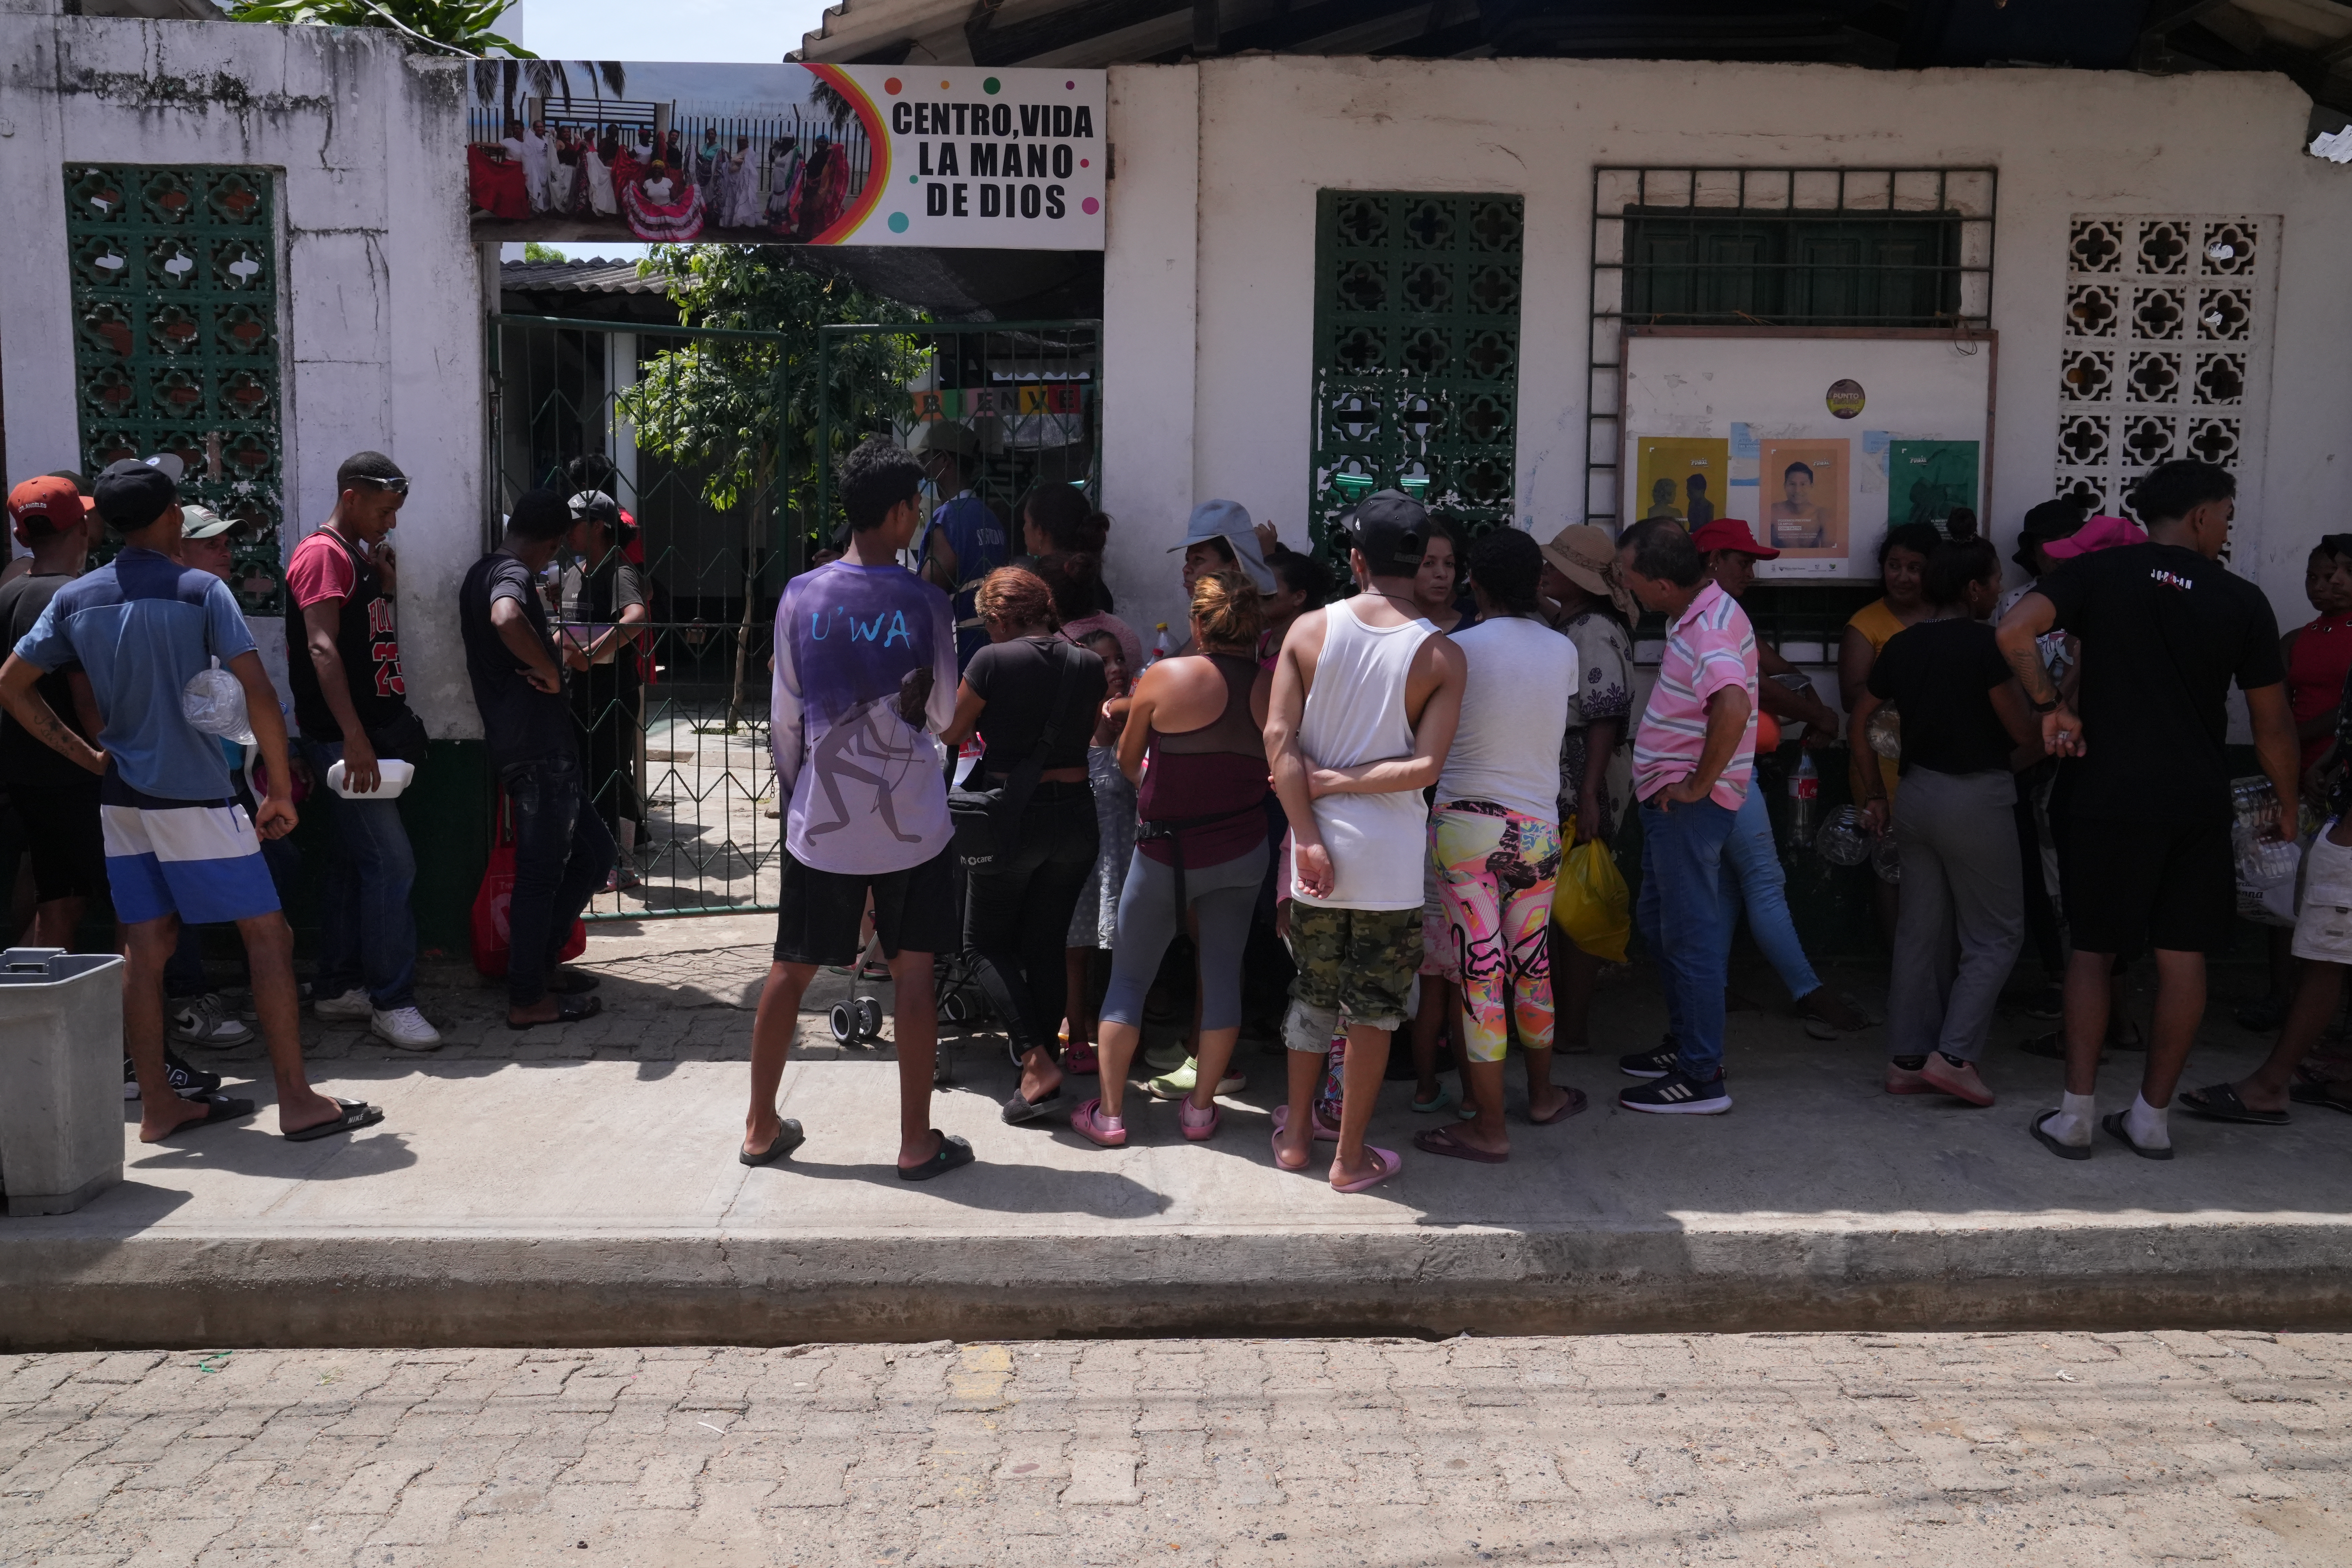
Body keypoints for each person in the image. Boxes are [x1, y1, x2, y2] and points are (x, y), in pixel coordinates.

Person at [1, 460, 377, 1142]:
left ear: (101, 522)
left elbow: (12, 683)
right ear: (172, 514)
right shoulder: (199, 589)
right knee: (269, 934)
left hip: (123, 801)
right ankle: (296, 1099)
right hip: (197, 795)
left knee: (145, 949)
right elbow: (258, 690)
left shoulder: (76, 598)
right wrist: (282, 792)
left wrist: (88, 756)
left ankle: (157, 1105)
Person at [1995, 459, 2297, 1161]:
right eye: (2225, 514)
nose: (2225, 527)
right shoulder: (2242, 600)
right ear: (2200, 516)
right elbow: (2273, 722)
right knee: (2182, 953)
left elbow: (2014, 631)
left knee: (2094, 950)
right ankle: (2152, 1119)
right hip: (2194, 795)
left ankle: (2074, 1115)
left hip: (2104, 792)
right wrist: (2286, 802)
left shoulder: (2103, 576)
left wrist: (2051, 709)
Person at [747, 438, 967, 1177]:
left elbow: (784, 716)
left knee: (791, 967)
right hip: (916, 825)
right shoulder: (928, 601)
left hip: (822, 825)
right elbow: (941, 714)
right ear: (902, 511)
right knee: (913, 973)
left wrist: (795, 797)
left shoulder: (800, 595)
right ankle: (915, 1142)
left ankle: (758, 1125)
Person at [1266, 490, 1467, 1192]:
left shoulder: (1307, 630)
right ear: (1421, 564)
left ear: (1356, 560)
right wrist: (1344, 782)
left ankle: (1294, 1136)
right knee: (1376, 1009)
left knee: (1313, 993)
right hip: (1389, 861)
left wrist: (1307, 831)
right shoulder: (1442, 654)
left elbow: (1277, 741)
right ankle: (1350, 1157)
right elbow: (1426, 767)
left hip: (1315, 853)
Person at [1072, 570, 1271, 1146]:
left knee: (1129, 981)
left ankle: (1110, 1115)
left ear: (1196, 623)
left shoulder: (1164, 676)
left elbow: (1128, 763)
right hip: (1240, 851)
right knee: (1222, 975)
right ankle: (1201, 1109)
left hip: (1164, 849)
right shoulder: (1269, 687)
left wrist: (1157, 801)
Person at [1408, 528, 1581, 1163]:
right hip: (1536, 831)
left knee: (1480, 977)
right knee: (1532, 966)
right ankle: (1541, 1096)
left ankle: (1487, 1125)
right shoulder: (1561, 651)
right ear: (1537, 582)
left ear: (1473, 584)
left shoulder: (1452, 649)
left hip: (1464, 829)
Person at [1852, 534, 2041, 1107]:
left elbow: (1860, 716)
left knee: (1919, 932)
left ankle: (1906, 1059)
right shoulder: (1989, 647)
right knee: (1995, 933)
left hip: (1913, 793)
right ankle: (1955, 1057)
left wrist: (1873, 794)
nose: (1999, 591)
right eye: (1992, 582)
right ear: (1973, 588)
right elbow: (2024, 734)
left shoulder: (1903, 647)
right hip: (1974, 795)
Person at [940, 567, 1107, 1124]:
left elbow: (951, 731)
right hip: (1077, 816)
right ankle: (1042, 1065)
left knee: (981, 943)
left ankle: (1036, 1061)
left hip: (1014, 816)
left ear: (997, 617)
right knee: (1045, 944)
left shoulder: (991, 661)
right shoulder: (1086, 661)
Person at [285, 452, 437, 1050]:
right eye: (383, 509)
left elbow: (358, 639)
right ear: (351, 496)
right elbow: (321, 648)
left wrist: (385, 586)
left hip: (371, 734)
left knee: (355, 863)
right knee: (392, 864)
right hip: (344, 739)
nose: (389, 522)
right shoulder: (321, 554)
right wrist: (351, 736)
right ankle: (391, 1001)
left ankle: (337, 986)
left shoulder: (359, 559)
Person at [1693, 519, 1870, 1033]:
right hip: (1723, 767)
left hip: (1723, 765)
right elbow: (1759, 689)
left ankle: (1715, 987)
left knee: (1729, 883)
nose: (1750, 571)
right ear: (1712, 561)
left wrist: (1813, 701)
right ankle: (1808, 992)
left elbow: (1776, 669)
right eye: (1742, 561)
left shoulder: (1723, 610)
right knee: (1766, 880)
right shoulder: (1711, 615)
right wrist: (1818, 716)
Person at [1616, 517, 1757, 1115]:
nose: (1625, 588)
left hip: (1687, 811)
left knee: (1690, 936)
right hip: (1670, 807)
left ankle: (1701, 1077)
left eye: (1629, 578)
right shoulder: (1698, 614)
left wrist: (1699, 784)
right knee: (1662, 924)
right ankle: (1685, 1045)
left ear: (1662, 584)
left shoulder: (1710, 629)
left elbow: (1731, 701)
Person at [460, 489, 616, 1031]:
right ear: (549, 542)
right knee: (540, 875)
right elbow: (506, 618)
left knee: (595, 855)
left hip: (539, 746)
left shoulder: (485, 569)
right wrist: (549, 672)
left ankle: (541, 965)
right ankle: (527, 996)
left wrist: (551, 648)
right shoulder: (510, 576)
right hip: (536, 749)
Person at [2236, 535, 2352, 1030]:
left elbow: (2345, 715)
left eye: (2338, 575)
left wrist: (2316, 756)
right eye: (2315, 577)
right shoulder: (2295, 641)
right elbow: (2272, 709)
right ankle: (2280, 995)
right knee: (2282, 890)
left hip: (2337, 779)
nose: (2325, 585)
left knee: (2335, 899)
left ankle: (2331, 1008)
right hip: (2292, 780)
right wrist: (2288, 763)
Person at [1539, 524, 1637, 1056]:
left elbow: (1604, 719)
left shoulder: (1594, 630)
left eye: (1557, 565)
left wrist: (1591, 794)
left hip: (1583, 782)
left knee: (1575, 910)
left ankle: (1571, 1030)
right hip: (1577, 779)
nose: (1546, 571)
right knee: (1565, 906)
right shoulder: (1577, 621)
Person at [1994, 497, 2093, 1022]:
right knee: (2033, 866)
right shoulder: (2015, 603)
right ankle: (2058, 974)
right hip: (2025, 747)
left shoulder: (2099, 597)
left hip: (2081, 750)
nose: (2056, 553)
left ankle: (2083, 979)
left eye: (2065, 541)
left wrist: (2064, 706)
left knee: (2074, 868)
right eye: (2045, 544)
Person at [0, 477, 105, 954]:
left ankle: (26, 1010)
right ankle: (129, 1023)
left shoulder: (9, 594)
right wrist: (100, 756)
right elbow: (87, 700)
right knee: (136, 908)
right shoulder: (75, 598)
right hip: (75, 782)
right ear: (83, 526)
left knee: (58, 903)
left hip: (24, 777)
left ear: (24, 537)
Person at [1841, 521, 1941, 936]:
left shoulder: (1949, 618)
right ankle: (1901, 969)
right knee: (1891, 866)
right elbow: (1852, 700)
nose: (1903, 576)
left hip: (1939, 761)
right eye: (1894, 566)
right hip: (1880, 766)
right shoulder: (1866, 625)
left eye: (1915, 568)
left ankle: (1934, 966)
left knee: (1937, 869)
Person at [558, 491, 650, 885]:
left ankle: (623, 863)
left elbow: (636, 618)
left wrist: (591, 653)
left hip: (613, 692)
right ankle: (595, 854)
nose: (567, 532)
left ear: (598, 526)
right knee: (588, 774)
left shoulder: (618, 571)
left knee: (613, 775)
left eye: (575, 523)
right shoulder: (575, 572)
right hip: (578, 693)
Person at [1060, 627, 1134, 1075]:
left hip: (1128, 859)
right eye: (1104, 663)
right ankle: (1078, 1034)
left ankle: (1120, 1035)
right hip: (1086, 860)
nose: (1117, 669)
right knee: (1076, 951)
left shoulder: (1138, 722)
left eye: (1120, 659)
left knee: (1126, 953)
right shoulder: (1074, 729)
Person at [913, 422, 1005, 669]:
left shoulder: (949, 519)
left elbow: (929, 589)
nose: (923, 469)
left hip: (960, 652)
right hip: (994, 642)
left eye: (926, 459)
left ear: (944, 460)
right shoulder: (990, 518)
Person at [1769, 462, 1824, 550]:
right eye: (1792, 484)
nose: (1797, 491)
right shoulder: (1772, 511)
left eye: (1803, 484)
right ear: (1785, 486)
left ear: (1811, 486)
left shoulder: (1822, 515)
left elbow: (1830, 552)